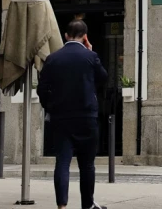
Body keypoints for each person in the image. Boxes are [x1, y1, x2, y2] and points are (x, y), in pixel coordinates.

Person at [38, 20, 108, 209]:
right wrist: (91, 51)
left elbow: (42, 89)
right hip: (86, 117)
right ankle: (87, 205)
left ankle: (62, 206)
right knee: (87, 165)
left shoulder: (53, 58)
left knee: (62, 162)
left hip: (61, 118)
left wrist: (50, 106)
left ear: (66, 35)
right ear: (85, 37)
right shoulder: (90, 56)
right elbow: (103, 78)